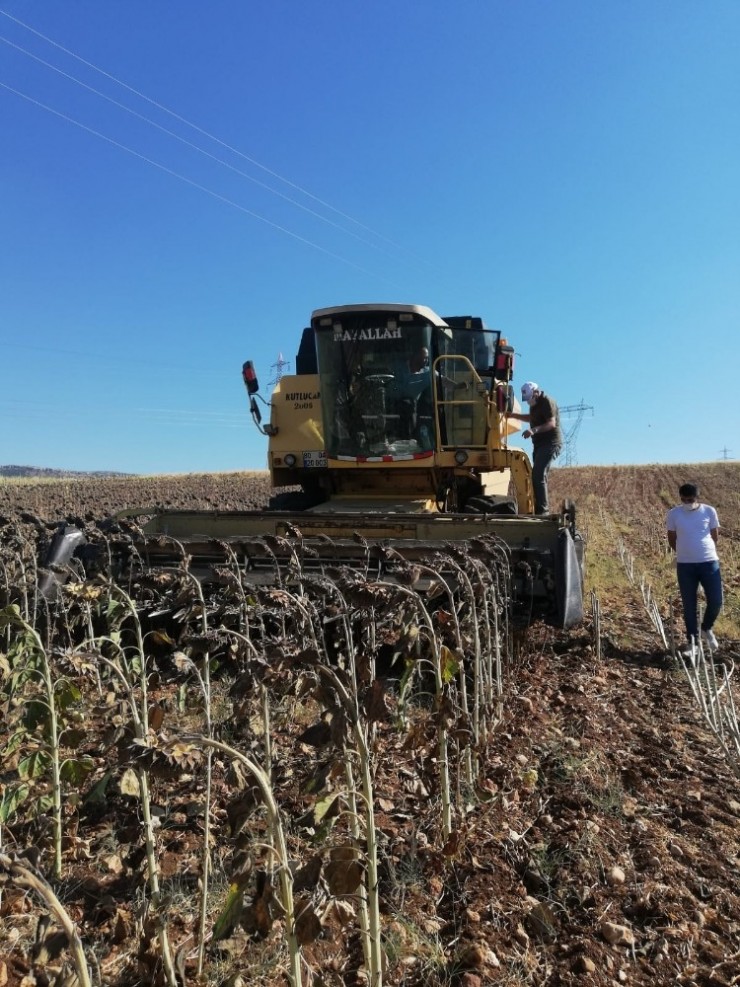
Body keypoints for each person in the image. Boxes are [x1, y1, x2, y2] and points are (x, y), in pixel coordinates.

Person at [666, 482, 722, 654]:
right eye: (684, 500)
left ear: (697, 498)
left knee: (716, 600)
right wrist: (684, 552)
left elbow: (715, 535)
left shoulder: (709, 511)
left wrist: (701, 550)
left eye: (690, 499)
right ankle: (693, 644)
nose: (687, 503)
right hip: (685, 566)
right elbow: (671, 538)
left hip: (709, 562)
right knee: (689, 605)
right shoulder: (673, 514)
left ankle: (706, 628)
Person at [509, 381, 562, 514]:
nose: (528, 402)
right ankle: (537, 509)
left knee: (538, 475)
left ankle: (543, 511)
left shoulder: (547, 402)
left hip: (550, 443)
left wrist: (533, 430)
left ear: (536, 393)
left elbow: (551, 423)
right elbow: (531, 418)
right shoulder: (534, 404)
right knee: (536, 476)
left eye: (529, 398)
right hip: (538, 445)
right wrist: (512, 415)